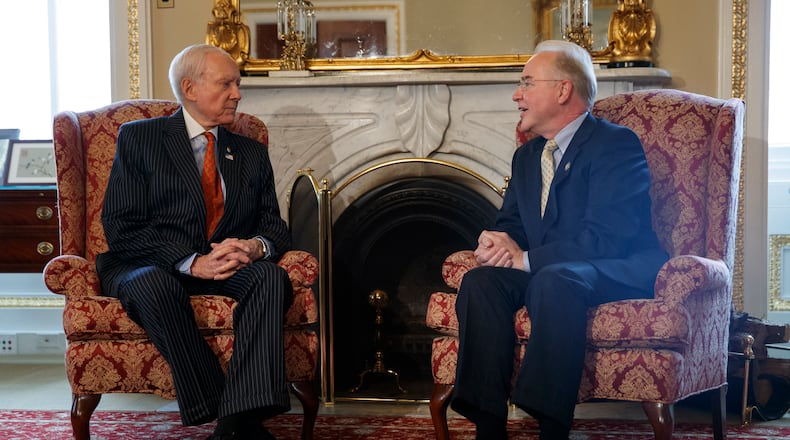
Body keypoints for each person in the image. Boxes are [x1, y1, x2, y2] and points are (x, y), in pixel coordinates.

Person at [449, 40, 669, 439]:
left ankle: (551, 428)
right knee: (480, 283)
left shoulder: (615, 145)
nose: (517, 94)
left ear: (563, 90)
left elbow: (608, 238)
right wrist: (495, 244)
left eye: (527, 83)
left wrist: (526, 260)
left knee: (554, 279)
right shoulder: (528, 156)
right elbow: (512, 225)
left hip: (614, 266)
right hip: (556, 271)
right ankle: (488, 426)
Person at [97, 43, 292, 440]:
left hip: (222, 263)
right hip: (148, 263)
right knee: (156, 285)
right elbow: (122, 226)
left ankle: (232, 426)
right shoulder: (140, 139)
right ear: (190, 88)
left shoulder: (250, 152)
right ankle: (226, 408)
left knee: (270, 278)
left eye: (237, 84)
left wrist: (254, 247)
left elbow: (275, 226)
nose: (237, 93)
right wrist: (190, 261)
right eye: (226, 83)